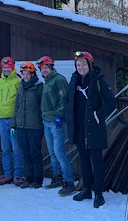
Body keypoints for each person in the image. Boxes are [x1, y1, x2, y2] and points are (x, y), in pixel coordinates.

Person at [67, 51, 116, 208]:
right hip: (79, 128)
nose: (80, 67)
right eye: (78, 65)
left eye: (83, 64)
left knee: (96, 160)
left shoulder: (98, 80)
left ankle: (99, 194)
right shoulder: (74, 81)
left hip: (94, 128)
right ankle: (87, 189)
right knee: (83, 160)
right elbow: (68, 101)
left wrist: (98, 115)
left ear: (90, 65)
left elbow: (111, 102)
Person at [37, 55, 76, 195]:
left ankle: (69, 182)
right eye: (42, 68)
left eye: (46, 67)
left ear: (51, 67)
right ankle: (57, 177)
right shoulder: (46, 81)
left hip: (56, 121)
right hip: (46, 121)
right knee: (52, 152)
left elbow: (63, 98)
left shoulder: (59, 79)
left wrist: (60, 114)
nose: (44, 70)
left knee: (59, 152)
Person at [12, 62, 44, 189]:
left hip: (34, 126)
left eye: (27, 74)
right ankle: (29, 177)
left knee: (35, 153)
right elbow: (17, 106)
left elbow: (43, 105)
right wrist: (14, 124)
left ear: (33, 74)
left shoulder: (39, 86)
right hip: (21, 126)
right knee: (25, 153)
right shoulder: (20, 86)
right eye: (23, 74)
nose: (25, 76)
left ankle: (37, 179)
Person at [0, 56, 23, 186]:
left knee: (16, 148)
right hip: (1, 119)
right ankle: (7, 174)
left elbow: (21, 102)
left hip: (13, 119)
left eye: (8, 67)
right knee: (5, 149)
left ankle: (18, 175)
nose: (6, 69)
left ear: (12, 68)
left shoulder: (18, 81)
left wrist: (18, 119)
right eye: (4, 67)